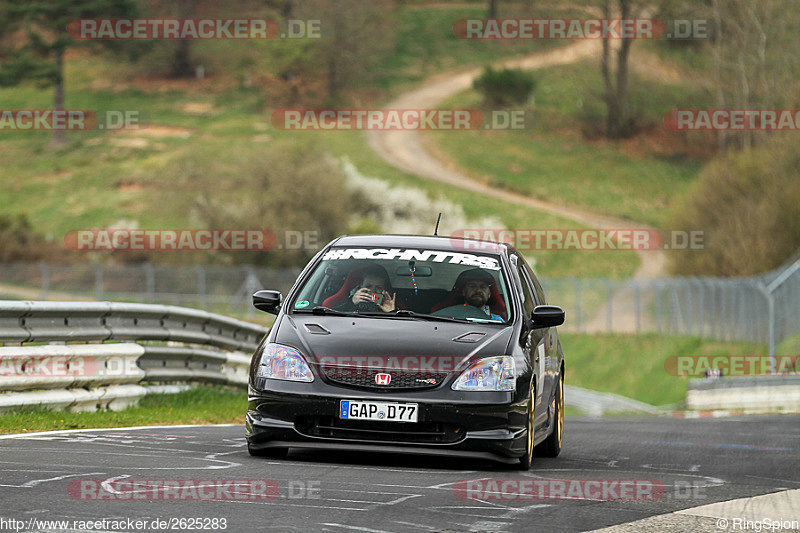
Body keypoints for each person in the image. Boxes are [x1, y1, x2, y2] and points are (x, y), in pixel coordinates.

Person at [432, 268, 504, 321]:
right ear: (463, 292)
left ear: (489, 294)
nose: (478, 290)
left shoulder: (497, 321)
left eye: (483, 287)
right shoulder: (446, 316)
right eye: (472, 286)